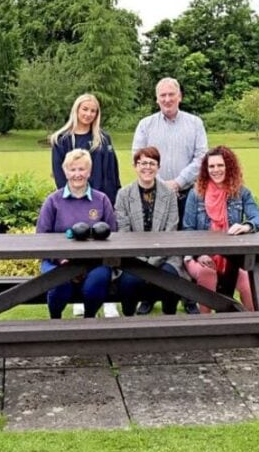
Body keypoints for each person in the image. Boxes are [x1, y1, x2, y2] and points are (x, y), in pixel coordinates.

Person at [131, 77, 208, 314]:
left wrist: (178, 182)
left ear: (179, 96)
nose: (167, 99)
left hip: (188, 194)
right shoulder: (146, 125)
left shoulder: (195, 123)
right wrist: (161, 185)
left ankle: (188, 297)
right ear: (157, 99)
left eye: (171, 94)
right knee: (152, 244)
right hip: (153, 196)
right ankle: (149, 295)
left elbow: (201, 158)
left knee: (186, 246)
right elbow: (138, 157)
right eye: (162, 95)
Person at [50, 93, 121, 318]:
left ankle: (108, 300)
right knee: (76, 247)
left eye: (93, 111)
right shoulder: (61, 139)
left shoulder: (103, 139)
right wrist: (72, 200)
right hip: (74, 202)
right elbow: (61, 176)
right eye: (85, 109)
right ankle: (78, 298)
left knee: (102, 249)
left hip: (101, 202)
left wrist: (111, 199)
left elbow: (112, 172)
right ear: (76, 110)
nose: (89, 114)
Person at [182, 146, 259, 312]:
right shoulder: (196, 194)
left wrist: (246, 226)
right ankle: (207, 325)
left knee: (247, 283)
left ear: (229, 166)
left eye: (220, 165)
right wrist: (200, 254)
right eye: (211, 166)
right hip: (199, 255)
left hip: (231, 256)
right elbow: (188, 229)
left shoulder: (241, 193)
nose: (216, 170)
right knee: (207, 274)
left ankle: (253, 324)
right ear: (206, 170)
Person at [36, 149, 117, 319]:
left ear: (89, 172)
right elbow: (41, 237)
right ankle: (55, 321)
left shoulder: (102, 200)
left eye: (81, 169)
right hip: (58, 262)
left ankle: (89, 320)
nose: (77, 174)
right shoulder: (53, 201)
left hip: (94, 262)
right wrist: (60, 259)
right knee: (60, 282)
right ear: (65, 172)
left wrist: (95, 259)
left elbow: (113, 235)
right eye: (72, 169)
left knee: (98, 281)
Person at [114, 147, 185, 315]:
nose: (147, 167)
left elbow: (170, 230)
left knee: (170, 277)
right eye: (143, 163)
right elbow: (124, 233)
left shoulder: (169, 194)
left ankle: (169, 317)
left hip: (166, 255)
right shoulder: (123, 194)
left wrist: (152, 261)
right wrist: (142, 261)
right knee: (128, 282)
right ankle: (129, 320)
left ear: (158, 167)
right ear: (135, 166)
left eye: (152, 163)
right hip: (133, 256)